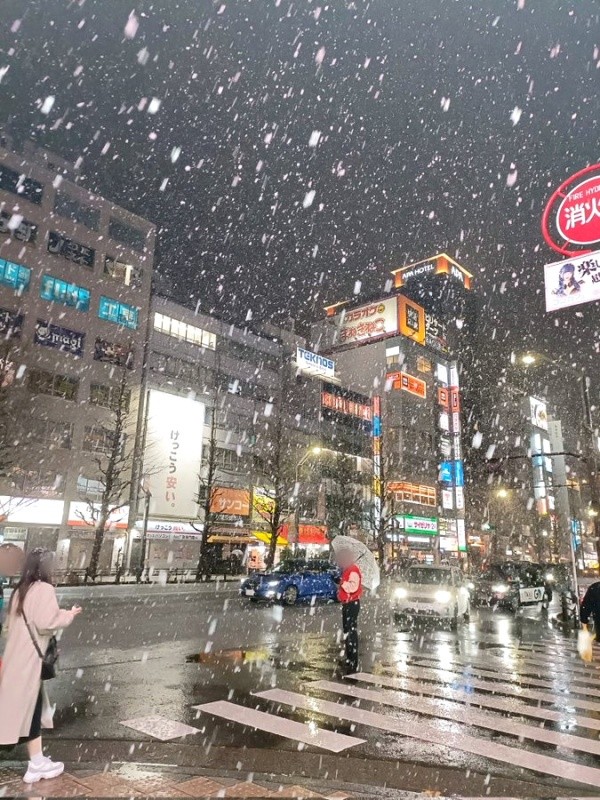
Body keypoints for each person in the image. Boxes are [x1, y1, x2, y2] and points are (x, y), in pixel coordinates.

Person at [0, 548, 82, 783]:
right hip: (29, 662)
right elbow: (47, 622)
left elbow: (11, 625)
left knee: (27, 711)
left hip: (16, 658)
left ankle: (37, 761)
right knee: (29, 713)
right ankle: (36, 764)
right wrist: (69, 614)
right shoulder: (44, 589)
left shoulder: (20, 589)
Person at [335, 548, 363, 674]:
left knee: (351, 632)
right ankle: (349, 658)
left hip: (352, 603)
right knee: (348, 631)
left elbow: (353, 587)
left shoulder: (353, 570)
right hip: (348, 603)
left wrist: (343, 584)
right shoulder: (348, 570)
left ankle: (352, 660)